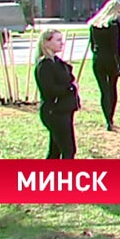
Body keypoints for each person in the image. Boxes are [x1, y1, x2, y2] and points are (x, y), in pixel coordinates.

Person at [34, 28, 80, 159]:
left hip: (64, 110)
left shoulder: (57, 62)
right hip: (54, 112)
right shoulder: (44, 65)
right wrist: (70, 87)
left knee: (55, 151)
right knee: (68, 150)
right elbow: (50, 90)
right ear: (46, 43)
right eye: (58, 40)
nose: (62, 43)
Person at [87, 0, 120, 130]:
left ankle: (107, 119)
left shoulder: (94, 25)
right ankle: (111, 118)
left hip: (98, 59)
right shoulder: (114, 25)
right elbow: (116, 47)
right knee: (112, 89)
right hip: (111, 60)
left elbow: (92, 46)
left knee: (104, 91)